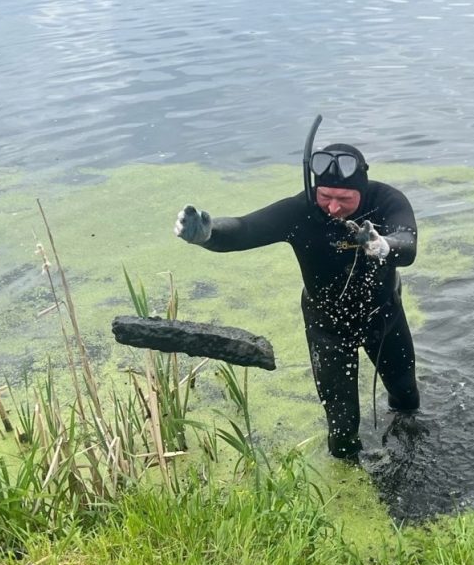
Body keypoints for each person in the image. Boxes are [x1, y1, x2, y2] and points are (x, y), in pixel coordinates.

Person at [174, 142, 420, 462]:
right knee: (342, 430)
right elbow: (245, 229)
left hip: (383, 316)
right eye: (326, 197)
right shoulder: (299, 211)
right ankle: (348, 480)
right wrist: (208, 233)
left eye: (344, 199)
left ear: (361, 189)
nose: (333, 207)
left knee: (406, 398)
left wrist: (385, 245)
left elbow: (409, 244)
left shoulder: (386, 200)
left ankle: (411, 453)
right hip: (328, 328)